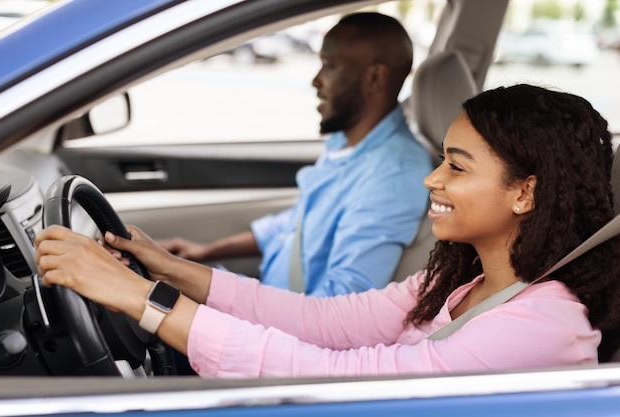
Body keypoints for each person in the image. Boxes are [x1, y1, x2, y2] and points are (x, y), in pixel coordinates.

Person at [35, 84, 620, 378]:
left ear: (525, 192)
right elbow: (324, 323)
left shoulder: (541, 328)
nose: (430, 181)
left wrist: (142, 299)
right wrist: (171, 271)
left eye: (456, 166)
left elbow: (343, 380)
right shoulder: (463, 282)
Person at [157, 12, 433, 296]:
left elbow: (337, 309)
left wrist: (213, 298)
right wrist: (203, 251)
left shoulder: (395, 173)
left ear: (375, 78)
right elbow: (297, 224)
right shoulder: (345, 141)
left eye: (330, 65)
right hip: (267, 305)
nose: (316, 81)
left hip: (278, 329)